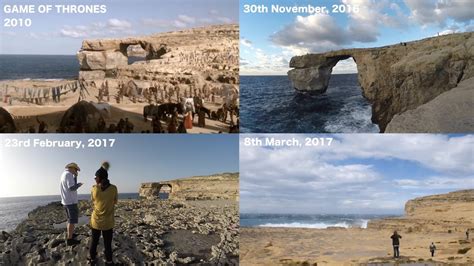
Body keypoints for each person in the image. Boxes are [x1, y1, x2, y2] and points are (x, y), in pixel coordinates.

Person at [89, 162, 118, 265]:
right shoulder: (114, 188)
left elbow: (92, 200)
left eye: (95, 177)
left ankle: (92, 260)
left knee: (94, 242)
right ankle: (109, 262)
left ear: (99, 178)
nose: (94, 179)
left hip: (95, 221)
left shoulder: (94, 188)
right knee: (107, 244)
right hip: (108, 222)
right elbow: (115, 201)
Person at [60, 163, 83, 246]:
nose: (76, 171)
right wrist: (79, 185)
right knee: (72, 221)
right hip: (71, 201)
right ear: (72, 168)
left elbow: (71, 186)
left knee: (69, 220)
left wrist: (75, 177)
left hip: (66, 201)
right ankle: (70, 239)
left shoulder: (64, 174)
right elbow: (72, 188)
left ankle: (70, 235)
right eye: (76, 169)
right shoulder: (69, 175)